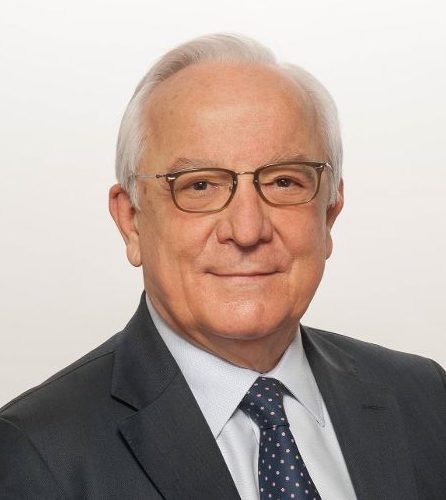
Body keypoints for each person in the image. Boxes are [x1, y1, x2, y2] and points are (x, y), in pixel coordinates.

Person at [0, 33, 445, 500]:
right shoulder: (33, 455)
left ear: (329, 214)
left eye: (284, 182)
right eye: (199, 186)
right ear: (131, 221)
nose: (247, 230)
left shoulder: (426, 396)